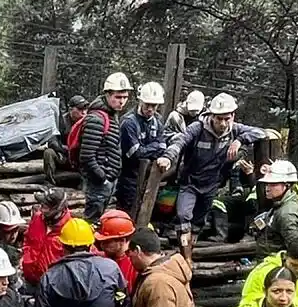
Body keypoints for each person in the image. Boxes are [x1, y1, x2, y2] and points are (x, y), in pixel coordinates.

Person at [157, 93, 270, 260]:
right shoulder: (198, 128)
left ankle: (189, 252)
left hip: (211, 185)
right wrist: (167, 157)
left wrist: (239, 140)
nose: (223, 123)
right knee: (183, 216)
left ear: (233, 116)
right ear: (211, 116)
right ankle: (185, 259)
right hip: (190, 182)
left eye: (227, 118)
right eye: (219, 119)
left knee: (198, 222)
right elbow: (180, 141)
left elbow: (261, 133)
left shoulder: (235, 130)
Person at [241, 159, 298, 307]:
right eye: (267, 184)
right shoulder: (281, 204)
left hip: (278, 270)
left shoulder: (287, 213)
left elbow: (295, 248)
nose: (267, 188)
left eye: (273, 184)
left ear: (286, 185)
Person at [78, 73, 131, 221]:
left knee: (97, 220)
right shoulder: (96, 119)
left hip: (106, 180)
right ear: (107, 94)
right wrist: (103, 178)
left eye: (125, 97)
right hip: (98, 182)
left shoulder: (111, 115)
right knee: (91, 220)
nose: (122, 101)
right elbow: (87, 156)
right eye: (118, 97)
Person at [116, 82, 167, 215]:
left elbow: (162, 147)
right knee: (126, 213)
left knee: (144, 212)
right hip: (128, 179)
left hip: (148, 177)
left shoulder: (157, 121)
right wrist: (154, 147)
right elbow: (135, 153)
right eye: (147, 104)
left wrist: (148, 148)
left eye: (154, 105)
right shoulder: (128, 122)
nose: (150, 109)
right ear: (140, 101)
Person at [22, 188, 73, 289]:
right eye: (42, 205)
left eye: (46, 207)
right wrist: (25, 256)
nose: (42, 209)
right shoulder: (37, 218)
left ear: (59, 208)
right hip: (29, 279)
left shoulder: (71, 229)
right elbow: (28, 239)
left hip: (52, 287)